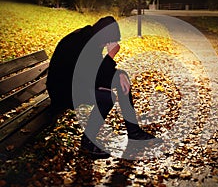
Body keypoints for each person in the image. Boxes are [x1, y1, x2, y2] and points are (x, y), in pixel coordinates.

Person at [46, 16, 156, 159]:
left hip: (76, 83)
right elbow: (96, 76)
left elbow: (97, 71)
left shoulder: (90, 39)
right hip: (63, 91)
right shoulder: (81, 43)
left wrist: (120, 74)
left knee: (123, 80)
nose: (105, 47)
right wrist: (110, 56)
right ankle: (87, 142)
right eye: (106, 43)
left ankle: (134, 132)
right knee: (106, 98)